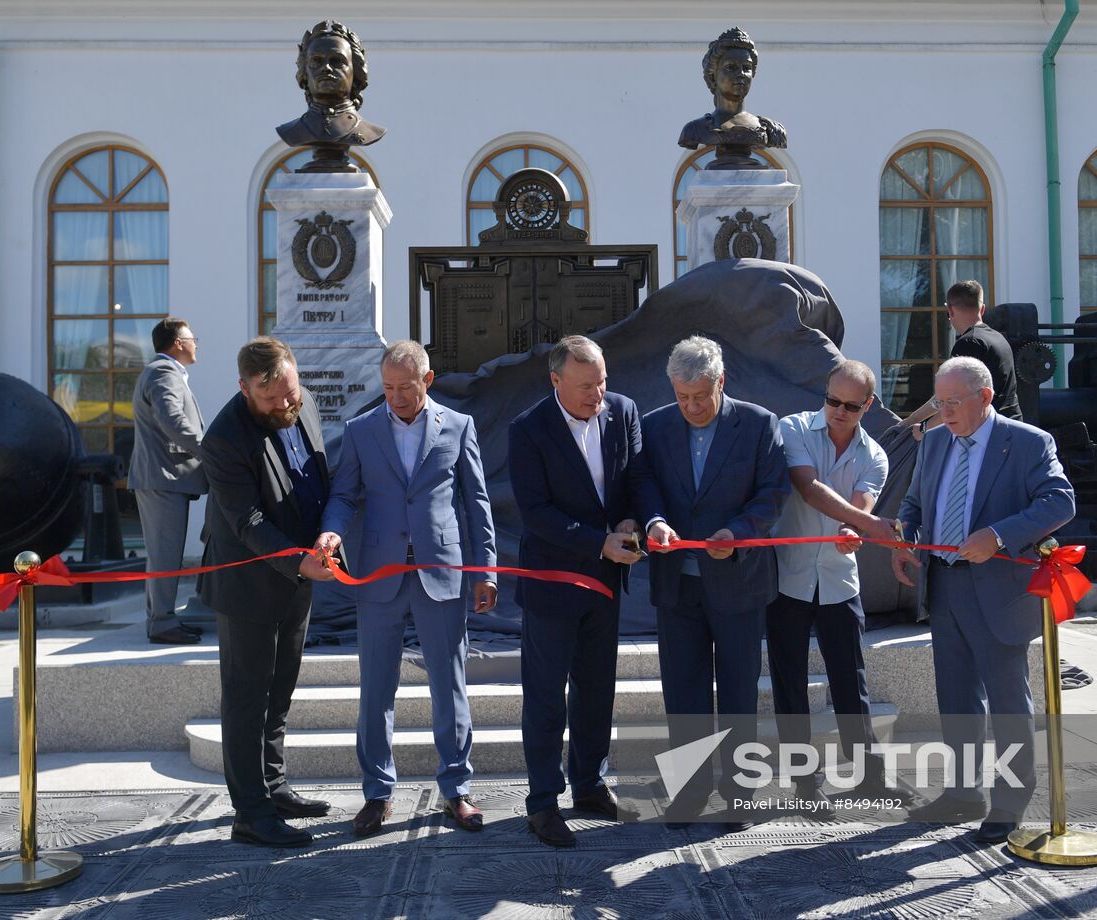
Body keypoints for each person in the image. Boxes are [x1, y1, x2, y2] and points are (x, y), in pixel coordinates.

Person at [314, 341, 497, 838]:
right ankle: (377, 794)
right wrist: (330, 531)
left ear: (428, 380)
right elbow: (344, 494)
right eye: (388, 387)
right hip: (378, 575)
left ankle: (456, 790)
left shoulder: (458, 427)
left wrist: (487, 571)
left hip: (443, 573)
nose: (394, 397)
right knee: (376, 689)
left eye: (405, 388)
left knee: (449, 685)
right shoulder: (361, 430)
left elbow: (477, 503)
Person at [892, 356, 1074, 844]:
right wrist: (906, 539)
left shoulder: (1028, 442)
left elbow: (1060, 501)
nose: (944, 412)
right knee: (955, 697)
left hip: (999, 590)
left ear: (985, 397)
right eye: (939, 402)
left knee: (1007, 699)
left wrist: (997, 535)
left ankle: (1010, 801)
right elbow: (914, 504)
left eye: (953, 402)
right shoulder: (932, 442)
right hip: (946, 586)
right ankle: (962, 792)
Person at [633, 336, 789, 829]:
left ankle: (739, 793)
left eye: (701, 396)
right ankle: (689, 792)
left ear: (721, 382)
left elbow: (772, 494)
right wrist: (655, 521)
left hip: (739, 581)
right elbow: (643, 486)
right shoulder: (655, 426)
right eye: (682, 397)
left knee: (739, 691)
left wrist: (739, 534)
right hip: (678, 583)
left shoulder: (759, 424)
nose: (692, 407)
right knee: (684, 692)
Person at [198, 337, 338, 848]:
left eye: (290, 394)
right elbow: (247, 520)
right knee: (246, 698)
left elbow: (315, 479)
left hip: (299, 575)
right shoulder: (223, 439)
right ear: (244, 388)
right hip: (248, 584)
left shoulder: (301, 403)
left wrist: (326, 534)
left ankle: (273, 786)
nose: (285, 405)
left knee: (279, 693)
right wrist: (296, 560)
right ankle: (251, 813)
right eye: (271, 399)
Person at [508, 335, 646, 848]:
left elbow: (636, 479)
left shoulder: (623, 411)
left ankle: (589, 784)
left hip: (606, 585)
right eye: (587, 386)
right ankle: (542, 801)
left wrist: (631, 519)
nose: (599, 394)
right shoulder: (528, 430)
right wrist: (598, 544)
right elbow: (536, 512)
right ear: (556, 381)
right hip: (553, 585)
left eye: (603, 381)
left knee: (596, 691)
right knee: (545, 698)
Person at [769, 360, 913, 814]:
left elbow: (862, 501)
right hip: (788, 577)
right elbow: (808, 487)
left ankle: (869, 777)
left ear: (868, 405)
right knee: (789, 682)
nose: (839, 411)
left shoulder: (875, 454)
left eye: (851, 406)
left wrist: (856, 525)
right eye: (833, 400)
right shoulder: (792, 428)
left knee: (851, 682)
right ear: (825, 392)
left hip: (838, 581)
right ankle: (803, 785)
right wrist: (865, 523)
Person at [129, 318, 206, 645]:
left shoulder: (164, 373)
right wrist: (210, 450)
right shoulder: (163, 373)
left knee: (163, 553)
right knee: (164, 554)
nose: (196, 344)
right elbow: (172, 420)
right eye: (192, 338)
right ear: (177, 343)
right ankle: (161, 623)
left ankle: (160, 618)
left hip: (163, 478)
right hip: (164, 478)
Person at [901, 280, 1022, 438]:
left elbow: (952, 398)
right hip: (1011, 427)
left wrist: (924, 429)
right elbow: (943, 398)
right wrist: (912, 420)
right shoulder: (998, 338)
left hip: (988, 434)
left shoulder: (969, 342)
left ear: (950, 311)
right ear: (982, 309)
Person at [276, 20, 386, 166]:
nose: (326, 68)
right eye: (316, 61)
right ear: (304, 72)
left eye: (337, 61)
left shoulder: (370, 131)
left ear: (356, 71)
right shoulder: (291, 131)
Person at [678, 27, 786, 169]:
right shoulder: (694, 130)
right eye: (731, 67)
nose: (741, 74)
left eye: (746, 68)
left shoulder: (771, 129)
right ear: (712, 77)